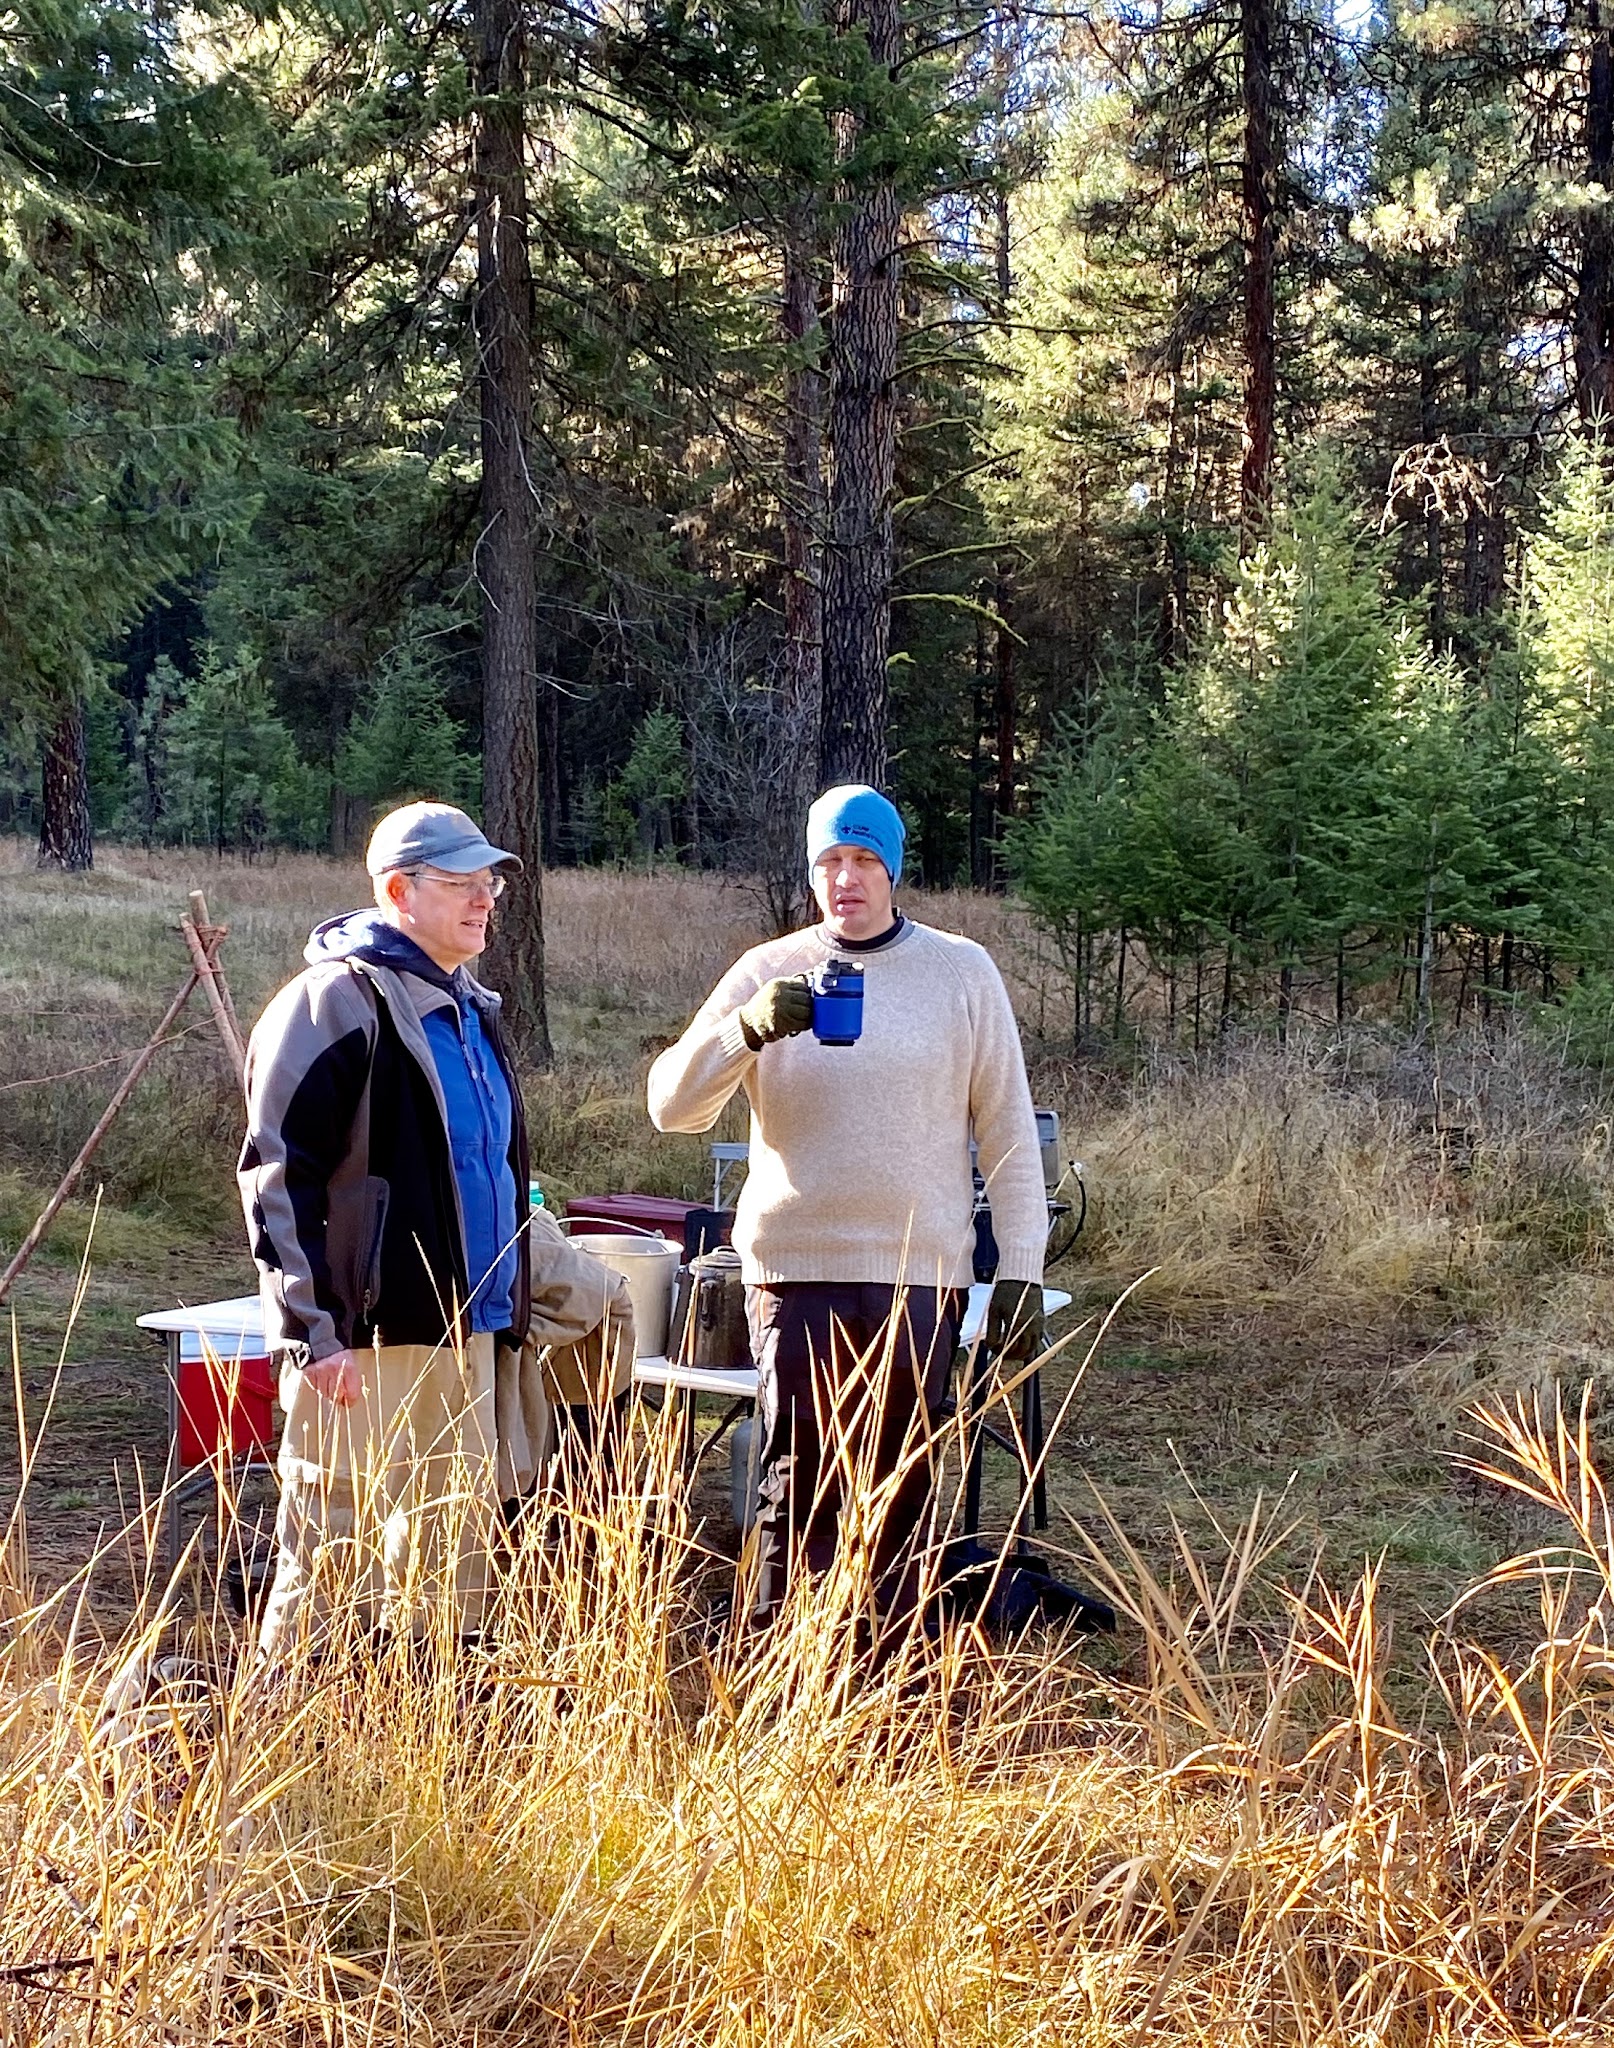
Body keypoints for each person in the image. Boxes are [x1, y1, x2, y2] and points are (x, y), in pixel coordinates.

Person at [647, 784, 1048, 1623]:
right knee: (797, 1486)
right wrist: (745, 1032)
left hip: (918, 1276)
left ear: (893, 869)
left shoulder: (959, 971)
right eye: (830, 860)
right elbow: (671, 1110)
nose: (847, 878)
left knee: (900, 1486)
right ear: (811, 870)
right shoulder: (767, 970)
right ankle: (781, 1676)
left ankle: (885, 1684)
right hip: (794, 1274)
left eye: (865, 859)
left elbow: (1008, 1132)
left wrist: (1019, 1271)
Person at [239, 800, 627, 1659]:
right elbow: (277, 1178)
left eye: (489, 882)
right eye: (461, 883)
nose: (485, 899)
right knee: (335, 1563)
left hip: (468, 1334)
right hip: (367, 1347)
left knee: (447, 1567)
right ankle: (298, 1736)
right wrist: (313, 1334)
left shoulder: (470, 1007)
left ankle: (430, 1737)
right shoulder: (330, 1005)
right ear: (397, 891)